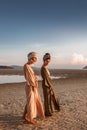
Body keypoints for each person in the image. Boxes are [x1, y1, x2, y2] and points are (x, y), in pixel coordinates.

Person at [23, 52, 44, 125]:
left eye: (35, 59)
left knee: (30, 101)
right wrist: (33, 85)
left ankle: (24, 115)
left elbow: (33, 76)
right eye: (34, 59)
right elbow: (29, 78)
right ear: (30, 58)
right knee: (30, 102)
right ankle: (30, 118)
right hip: (30, 86)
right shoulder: (26, 66)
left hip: (32, 85)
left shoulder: (29, 66)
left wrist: (35, 81)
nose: (34, 61)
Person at [41, 53, 60, 117]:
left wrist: (50, 85)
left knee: (49, 98)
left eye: (49, 61)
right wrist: (50, 86)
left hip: (48, 84)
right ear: (44, 60)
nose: (48, 62)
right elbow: (46, 78)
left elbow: (48, 78)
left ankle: (49, 111)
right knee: (46, 98)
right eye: (47, 61)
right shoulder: (43, 68)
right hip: (46, 85)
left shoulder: (45, 68)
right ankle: (47, 112)